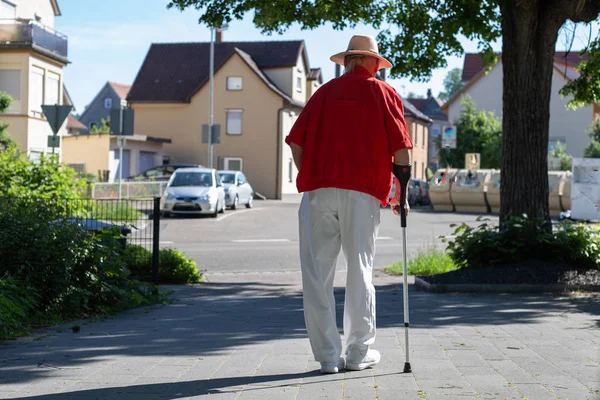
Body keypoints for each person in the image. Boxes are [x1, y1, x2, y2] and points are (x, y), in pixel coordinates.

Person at [284, 34, 413, 374]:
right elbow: (402, 151)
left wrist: (311, 172)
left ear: (347, 62)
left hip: (318, 191)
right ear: (373, 63)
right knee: (360, 270)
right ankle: (358, 353)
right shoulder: (384, 93)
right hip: (363, 193)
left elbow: (296, 142)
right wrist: (400, 192)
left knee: (316, 273)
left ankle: (327, 356)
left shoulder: (324, 93)